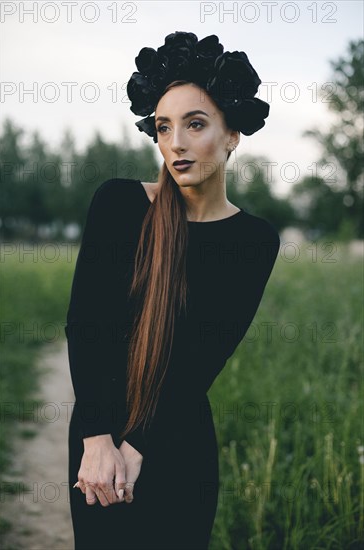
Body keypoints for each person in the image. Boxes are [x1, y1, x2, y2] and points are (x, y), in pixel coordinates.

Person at [65, 31, 280, 549]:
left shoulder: (253, 241)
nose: (176, 142)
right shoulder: (118, 205)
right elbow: (86, 325)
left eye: (196, 124)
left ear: (232, 136)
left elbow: (201, 359)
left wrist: (140, 447)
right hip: (99, 438)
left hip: (177, 439)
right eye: (164, 127)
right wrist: (98, 440)